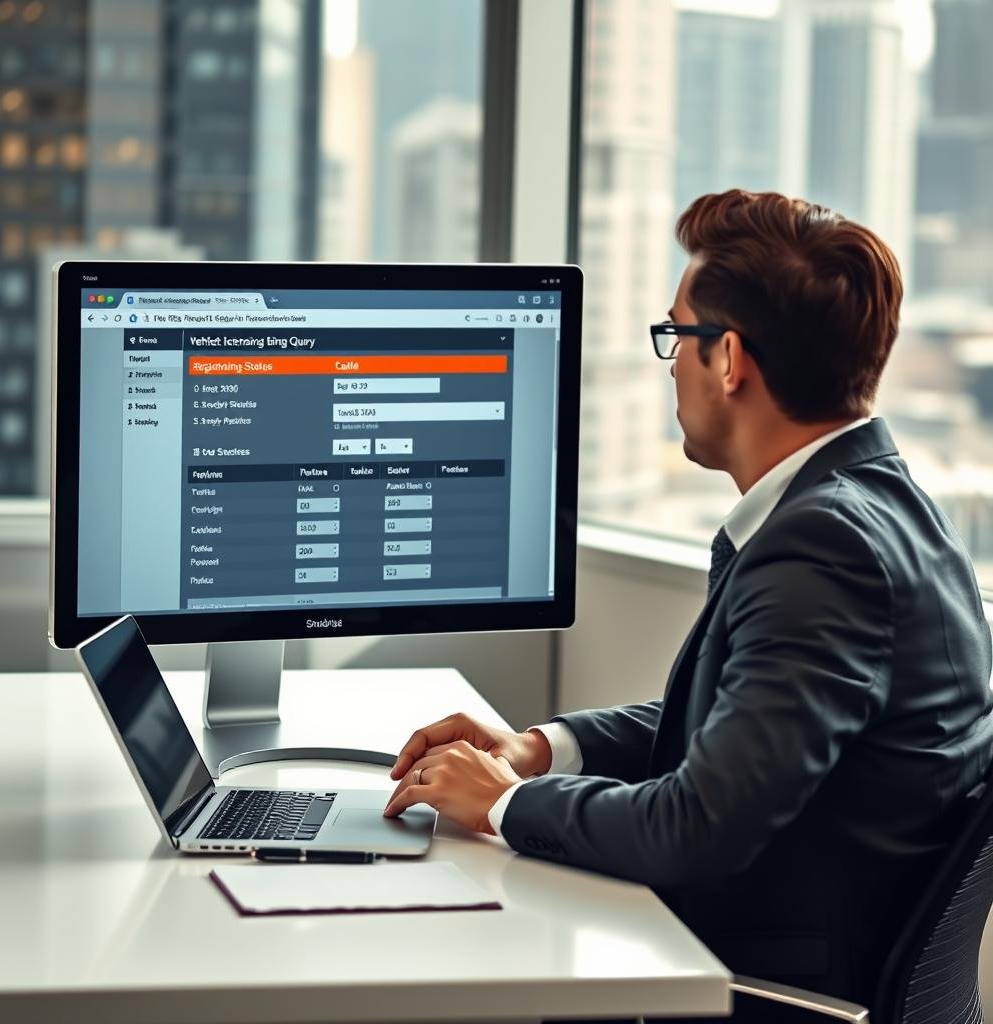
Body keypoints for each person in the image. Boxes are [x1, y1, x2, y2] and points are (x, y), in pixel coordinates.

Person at [383, 190, 993, 1020]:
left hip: (767, 991)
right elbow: (737, 729)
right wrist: (537, 750)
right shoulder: (881, 505)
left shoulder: (825, 550)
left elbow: (695, 826)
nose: (670, 361)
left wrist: (499, 802)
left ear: (729, 359)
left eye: (676, 335)